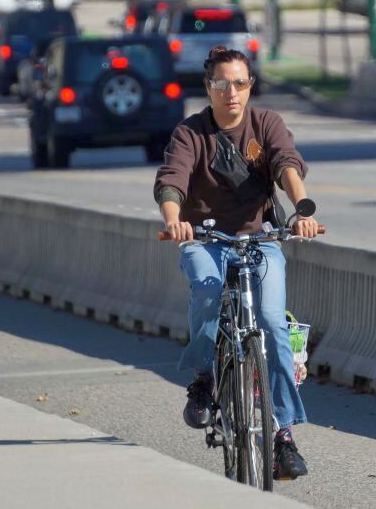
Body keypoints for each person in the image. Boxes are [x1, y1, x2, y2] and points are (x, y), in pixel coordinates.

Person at [154, 45, 320, 481]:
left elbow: (286, 163)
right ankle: (205, 378)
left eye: (241, 83)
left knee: (270, 322)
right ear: (208, 87)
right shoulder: (190, 133)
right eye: (222, 84)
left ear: (251, 86)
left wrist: (302, 209)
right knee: (208, 289)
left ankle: (283, 435)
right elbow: (172, 180)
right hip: (205, 239)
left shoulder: (266, 124)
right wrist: (175, 222)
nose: (232, 92)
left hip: (259, 238)